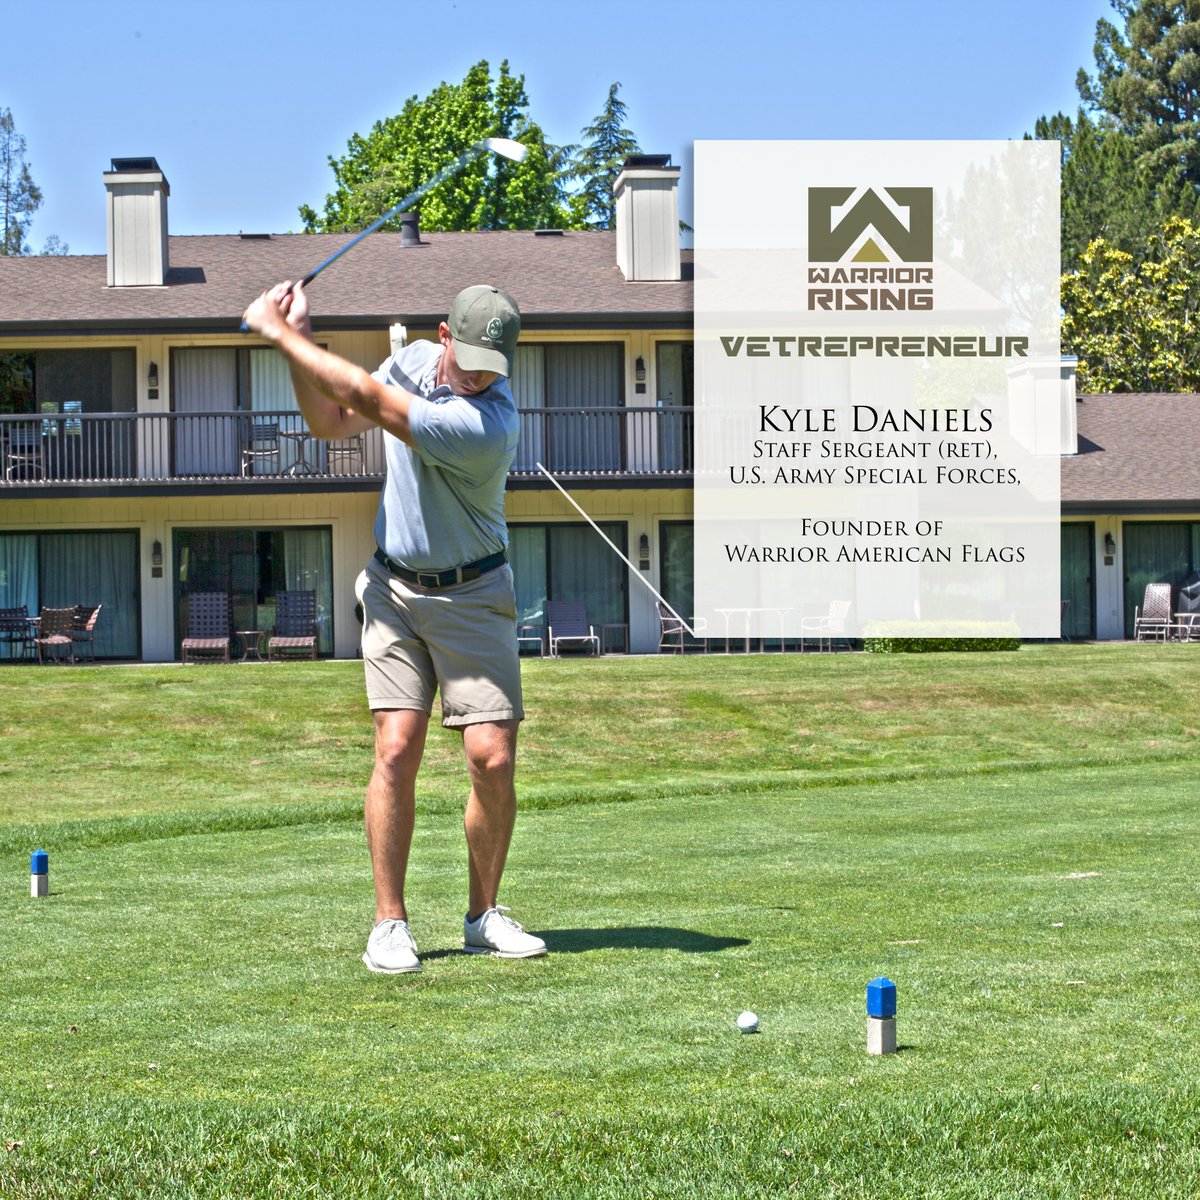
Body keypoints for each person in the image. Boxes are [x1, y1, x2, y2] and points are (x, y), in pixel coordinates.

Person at [241, 280, 546, 973]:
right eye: (468, 358)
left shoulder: (488, 424)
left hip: (474, 595)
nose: (478, 376)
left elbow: (374, 404)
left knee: (491, 757)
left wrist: (280, 334)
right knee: (396, 746)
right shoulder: (408, 362)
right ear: (444, 335)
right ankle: (390, 923)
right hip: (393, 587)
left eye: (492, 367)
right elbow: (331, 421)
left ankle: (483, 914)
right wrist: (303, 339)